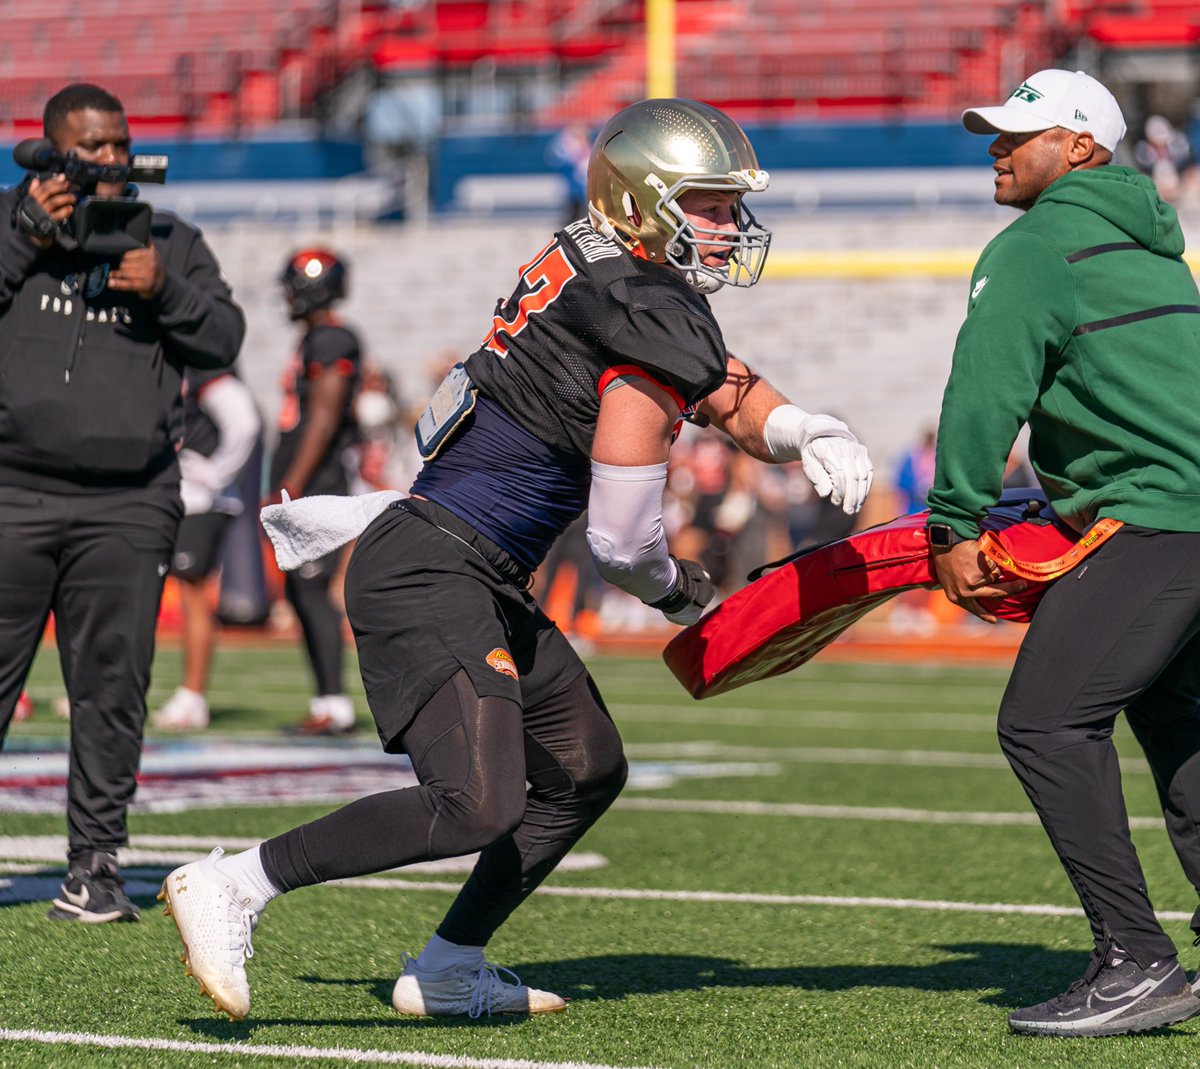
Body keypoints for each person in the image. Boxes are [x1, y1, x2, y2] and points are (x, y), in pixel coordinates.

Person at [159, 97, 873, 1022]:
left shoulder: (608, 269)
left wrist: (805, 423)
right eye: (707, 203)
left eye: (730, 204)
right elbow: (621, 541)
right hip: (435, 568)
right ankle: (239, 881)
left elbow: (718, 384)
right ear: (639, 202)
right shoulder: (643, 300)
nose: (730, 225)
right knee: (476, 802)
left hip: (469, 564)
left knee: (583, 767)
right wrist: (678, 589)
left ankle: (450, 961)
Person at [926, 68, 1200, 1037]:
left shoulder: (1037, 246)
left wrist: (952, 522)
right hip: (1185, 520)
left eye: (1018, 133)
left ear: (1082, 146)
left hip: (1153, 522)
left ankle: (1137, 960)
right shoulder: (1158, 247)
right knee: (1179, 734)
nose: (996, 147)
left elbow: (983, 390)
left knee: (1045, 724)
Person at [0, 83, 244, 920]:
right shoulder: (9, 221)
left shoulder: (171, 237)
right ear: (53, 144)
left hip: (130, 502)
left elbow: (223, 339)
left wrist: (163, 287)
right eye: (93, 145)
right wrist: (25, 237)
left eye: (120, 145)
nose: (110, 160)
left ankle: (95, 863)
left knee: (113, 687)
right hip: (11, 490)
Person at [269, 248, 362, 736]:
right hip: (309, 484)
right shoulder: (315, 339)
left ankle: (335, 703)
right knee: (300, 591)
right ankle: (325, 700)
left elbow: (324, 417)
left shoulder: (332, 339)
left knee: (311, 591)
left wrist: (292, 484)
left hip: (318, 486)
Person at [151, 365, 261, 730]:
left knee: (193, 593)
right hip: (174, 496)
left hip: (199, 499)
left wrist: (214, 473)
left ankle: (192, 696)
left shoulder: (206, 367)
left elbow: (244, 423)